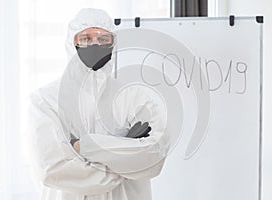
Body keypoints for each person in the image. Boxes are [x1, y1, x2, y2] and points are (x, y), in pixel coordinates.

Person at [28, 8, 169, 200]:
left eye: (103, 39)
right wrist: (123, 164)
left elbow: (154, 156)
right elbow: (53, 169)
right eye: (85, 39)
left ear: (113, 45)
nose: (95, 44)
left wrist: (82, 146)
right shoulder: (46, 101)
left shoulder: (136, 98)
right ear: (71, 43)